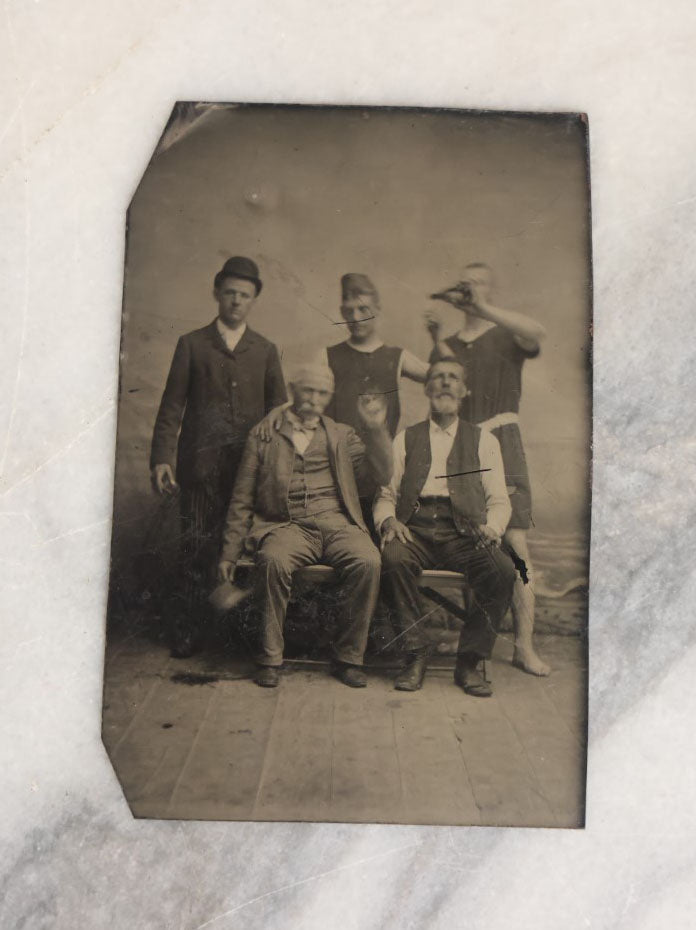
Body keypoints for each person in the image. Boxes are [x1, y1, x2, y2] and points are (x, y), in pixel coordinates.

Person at [217, 364, 392, 689]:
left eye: (322, 393)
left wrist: (377, 430)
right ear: (293, 390)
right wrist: (229, 553)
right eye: (307, 390)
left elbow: (381, 475)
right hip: (287, 524)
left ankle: (349, 658)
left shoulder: (342, 434)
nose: (314, 398)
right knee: (272, 561)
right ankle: (270, 658)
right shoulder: (264, 435)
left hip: (337, 522)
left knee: (368, 561)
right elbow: (241, 498)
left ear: (330, 397)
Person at [150, 256, 287, 657]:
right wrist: (162, 458)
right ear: (216, 293)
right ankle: (188, 629)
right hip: (199, 468)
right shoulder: (191, 344)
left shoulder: (265, 350)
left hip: (247, 472)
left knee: (243, 550)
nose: (236, 301)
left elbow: (279, 410)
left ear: (254, 300)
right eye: (229, 293)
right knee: (196, 547)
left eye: (245, 295)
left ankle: (238, 636)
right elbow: (171, 406)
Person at [425, 262, 550, 676]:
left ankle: (524, 647)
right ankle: (473, 643)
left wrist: (486, 307)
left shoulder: (505, 331)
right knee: (469, 540)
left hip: (503, 441)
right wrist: (436, 338)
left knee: (515, 546)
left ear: (489, 289)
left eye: (479, 284)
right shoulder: (452, 344)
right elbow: (443, 388)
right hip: (463, 446)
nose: (471, 291)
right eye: (466, 285)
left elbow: (538, 333)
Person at [375, 358, 516, 695]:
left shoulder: (484, 441)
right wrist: (388, 519)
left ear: (464, 391)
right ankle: (414, 655)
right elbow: (386, 493)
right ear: (426, 389)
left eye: (453, 378)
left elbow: (499, 499)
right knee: (393, 561)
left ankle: (468, 663)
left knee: (502, 571)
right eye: (437, 377)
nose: (445, 383)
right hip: (415, 529)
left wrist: (493, 528)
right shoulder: (405, 438)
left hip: (463, 533)